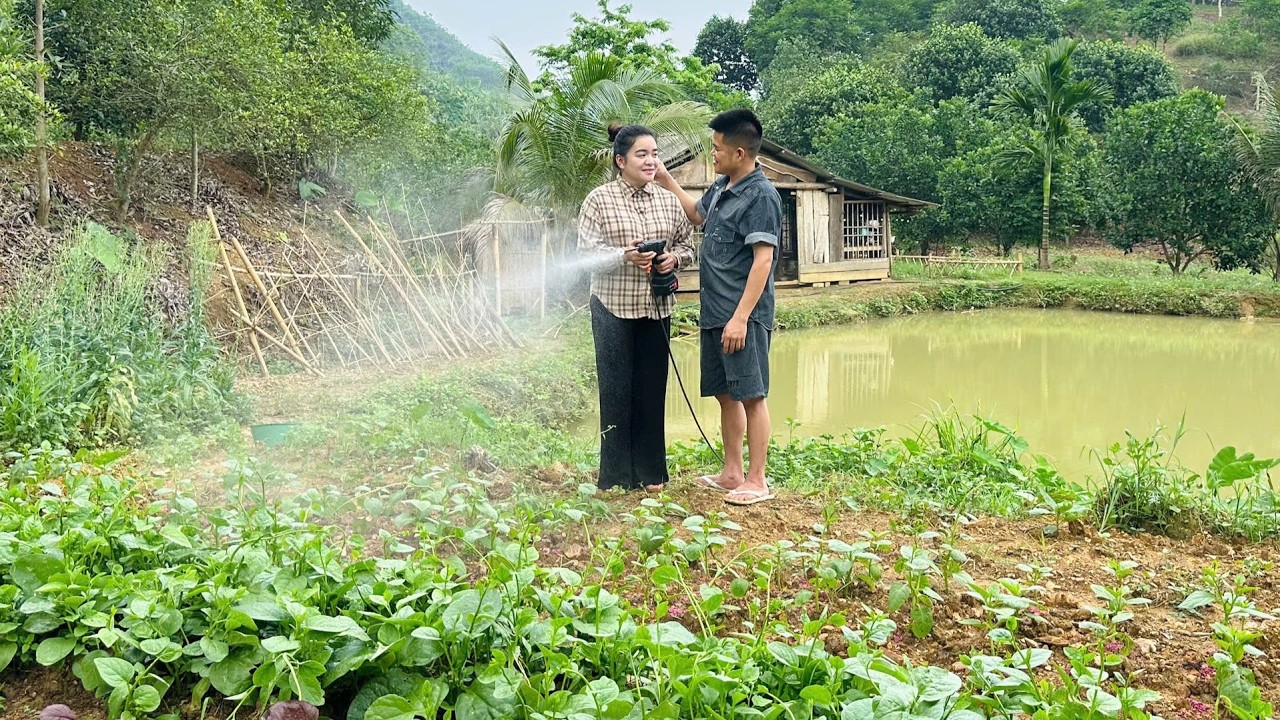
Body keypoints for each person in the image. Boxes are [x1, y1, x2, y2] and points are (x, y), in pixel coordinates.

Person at [655, 109, 781, 506]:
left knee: (752, 395)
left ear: (740, 152)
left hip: (742, 316)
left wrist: (741, 318)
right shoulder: (723, 186)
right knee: (726, 394)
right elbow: (696, 215)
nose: (713, 155)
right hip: (715, 312)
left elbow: (763, 261)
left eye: (717, 150)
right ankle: (732, 472)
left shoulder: (762, 196)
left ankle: (756, 479)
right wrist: (667, 180)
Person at [578, 123, 696, 492]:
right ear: (620, 161)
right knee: (615, 391)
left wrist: (672, 260)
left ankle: (651, 475)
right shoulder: (599, 200)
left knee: (651, 391)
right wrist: (624, 255)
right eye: (642, 154)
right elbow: (585, 257)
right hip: (612, 308)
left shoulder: (668, 199)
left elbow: (688, 246)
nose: (651, 161)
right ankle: (614, 477)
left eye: (655, 154)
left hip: (656, 310)